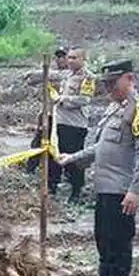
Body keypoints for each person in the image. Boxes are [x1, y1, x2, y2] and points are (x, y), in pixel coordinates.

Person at [58, 60, 139, 276]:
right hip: (104, 187)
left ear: (130, 78)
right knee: (103, 238)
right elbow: (100, 147)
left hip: (122, 190)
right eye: (107, 84)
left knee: (119, 241)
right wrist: (73, 158)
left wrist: (136, 190)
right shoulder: (113, 109)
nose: (110, 88)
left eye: (114, 83)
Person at [50, 48, 97, 204]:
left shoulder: (88, 77)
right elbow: (50, 76)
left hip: (75, 124)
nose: (70, 61)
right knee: (55, 154)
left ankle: (76, 191)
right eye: (69, 58)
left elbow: (84, 99)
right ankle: (53, 187)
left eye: (74, 58)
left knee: (74, 159)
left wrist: (62, 99)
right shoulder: (66, 75)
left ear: (83, 59)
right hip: (60, 122)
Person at [24, 48, 70, 175]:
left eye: (63, 56)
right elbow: (32, 82)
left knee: (56, 146)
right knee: (38, 142)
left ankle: (55, 177)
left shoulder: (70, 76)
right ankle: (30, 169)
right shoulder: (51, 75)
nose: (60, 60)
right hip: (47, 113)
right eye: (58, 57)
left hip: (62, 117)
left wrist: (42, 73)